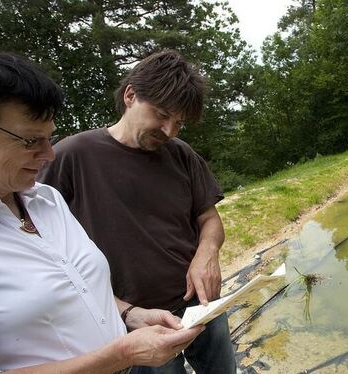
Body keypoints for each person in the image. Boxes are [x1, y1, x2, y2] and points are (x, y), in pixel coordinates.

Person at [0, 43, 204, 374]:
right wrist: (122, 354)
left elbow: (80, 290)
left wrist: (131, 315)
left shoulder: (46, 199)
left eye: (49, 138)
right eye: (31, 141)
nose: (49, 155)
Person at [38, 50, 236, 373]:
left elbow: (208, 217)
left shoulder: (182, 155)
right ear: (131, 95)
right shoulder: (70, 157)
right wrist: (123, 312)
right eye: (161, 114)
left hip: (201, 306)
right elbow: (43, 249)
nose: (170, 131)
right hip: (135, 327)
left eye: (179, 123)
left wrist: (207, 252)